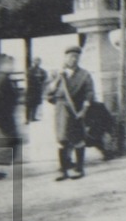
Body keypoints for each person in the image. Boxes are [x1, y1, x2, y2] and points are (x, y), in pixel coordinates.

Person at [46, 45, 95, 181]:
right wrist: (58, 79)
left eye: (76, 57)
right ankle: (63, 170)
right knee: (62, 140)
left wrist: (84, 110)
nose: (73, 59)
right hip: (61, 111)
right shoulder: (57, 74)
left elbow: (89, 93)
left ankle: (79, 168)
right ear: (65, 58)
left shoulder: (84, 75)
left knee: (78, 139)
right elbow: (49, 93)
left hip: (77, 110)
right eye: (70, 56)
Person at [23, 58, 46, 123]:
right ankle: (27, 119)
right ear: (33, 62)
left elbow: (44, 77)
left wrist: (39, 79)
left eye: (38, 61)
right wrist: (37, 78)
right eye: (36, 61)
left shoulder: (41, 70)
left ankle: (33, 117)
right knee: (29, 104)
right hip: (31, 89)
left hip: (37, 89)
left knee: (36, 103)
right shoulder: (30, 70)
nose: (37, 62)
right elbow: (29, 77)